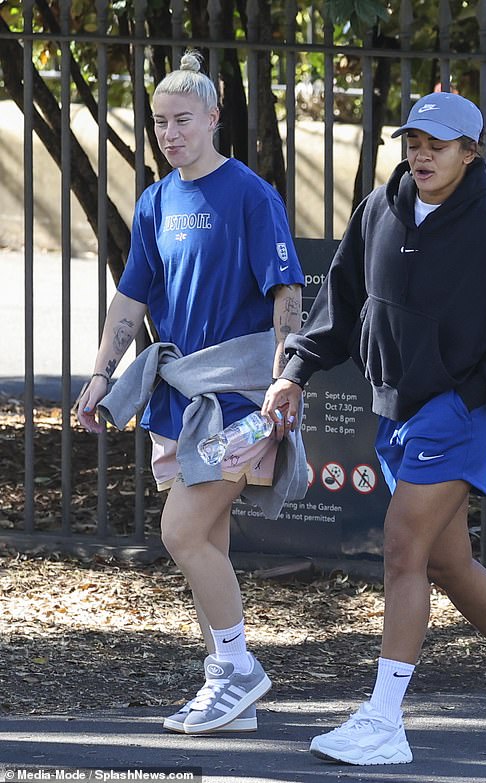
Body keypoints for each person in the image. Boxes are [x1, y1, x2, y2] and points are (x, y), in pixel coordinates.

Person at [263, 91, 486, 765]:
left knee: (402, 548)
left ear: (472, 153)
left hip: (461, 412)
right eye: (414, 141)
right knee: (446, 560)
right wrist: (294, 370)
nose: (422, 154)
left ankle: (383, 720)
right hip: (397, 410)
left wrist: (466, 400)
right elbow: (342, 299)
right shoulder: (380, 210)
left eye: (439, 144)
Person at [76, 50, 305, 735]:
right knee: (209, 539)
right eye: (159, 123)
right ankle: (231, 697)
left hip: (236, 399)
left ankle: (235, 669)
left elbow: (286, 295)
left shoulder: (251, 194)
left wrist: (283, 377)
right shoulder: (154, 201)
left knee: (180, 531)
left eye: (182, 120)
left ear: (213, 117)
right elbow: (130, 299)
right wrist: (99, 372)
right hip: (178, 395)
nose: (170, 134)